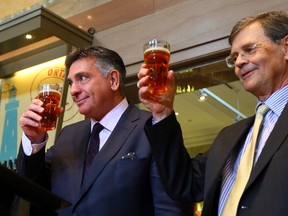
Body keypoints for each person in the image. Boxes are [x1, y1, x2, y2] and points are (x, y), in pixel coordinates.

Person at [137, 10, 288, 216]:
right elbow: (185, 184)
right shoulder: (230, 136)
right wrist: (162, 113)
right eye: (234, 57)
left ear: (286, 47)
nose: (239, 62)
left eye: (249, 50)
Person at [16, 46, 189, 216]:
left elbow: (169, 209)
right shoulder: (68, 135)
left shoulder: (153, 128)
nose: (74, 90)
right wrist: (34, 141)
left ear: (113, 80)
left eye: (82, 78)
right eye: (70, 82)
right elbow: (33, 191)